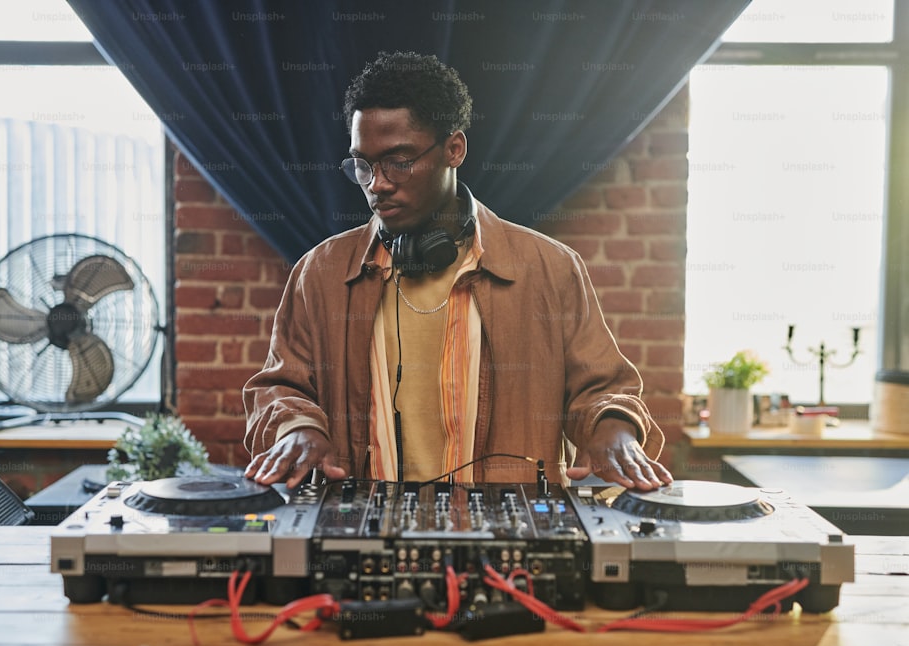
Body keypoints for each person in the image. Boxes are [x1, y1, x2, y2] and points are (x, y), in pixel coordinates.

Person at [244, 51, 672, 491]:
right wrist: (296, 427)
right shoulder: (321, 273)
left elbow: (602, 388)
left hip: (510, 551)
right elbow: (280, 386)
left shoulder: (551, 269)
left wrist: (613, 429)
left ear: (454, 148)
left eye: (399, 161)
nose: (378, 184)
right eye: (364, 165)